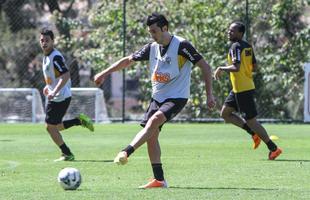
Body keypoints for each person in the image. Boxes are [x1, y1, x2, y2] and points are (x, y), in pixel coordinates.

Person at [94, 13, 216, 188]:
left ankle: (126, 151)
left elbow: (205, 66)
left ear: (165, 28)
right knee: (151, 136)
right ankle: (159, 180)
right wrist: (104, 73)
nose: (152, 35)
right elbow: (128, 60)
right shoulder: (152, 47)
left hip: (177, 97)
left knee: (154, 121)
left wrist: (209, 94)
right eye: (150, 32)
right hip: (157, 97)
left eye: (154, 31)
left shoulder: (182, 46)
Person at [214, 21, 282, 160]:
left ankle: (273, 148)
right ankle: (253, 133)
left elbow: (236, 67)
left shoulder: (236, 46)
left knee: (251, 121)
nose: (229, 32)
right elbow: (254, 66)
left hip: (243, 89)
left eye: (232, 31)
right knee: (225, 113)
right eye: (229, 30)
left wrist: (221, 68)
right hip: (239, 88)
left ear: (240, 33)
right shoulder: (248, 47)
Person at [40, 28, 94, 162]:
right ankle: (78, 121)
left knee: (50, 127)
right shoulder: (47, 56)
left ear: (53, 41)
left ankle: (67, 153)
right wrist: (48, 87)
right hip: (60, 96)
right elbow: (54, 77)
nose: (44, 43)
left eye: (47, 40)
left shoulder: (55, 57)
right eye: (42, 40)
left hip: (60, 97)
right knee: (56, 127)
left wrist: (54, 91)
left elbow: (65, 75)